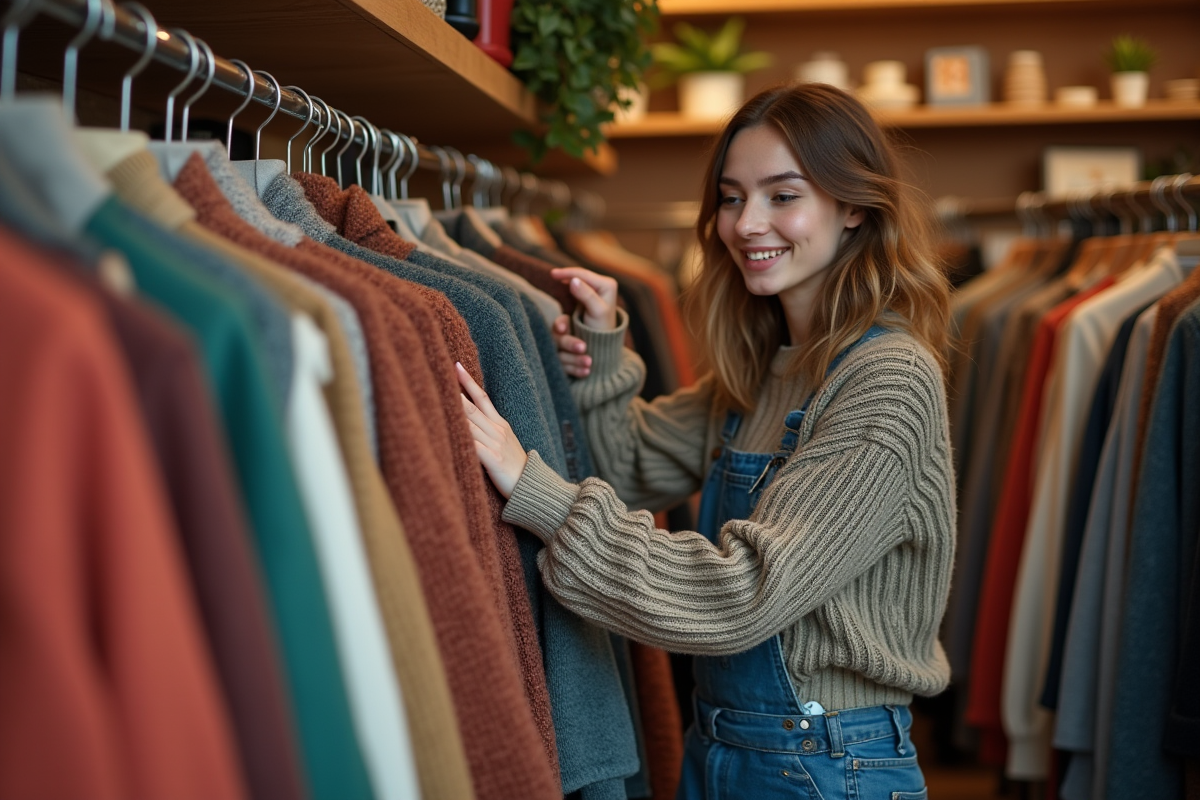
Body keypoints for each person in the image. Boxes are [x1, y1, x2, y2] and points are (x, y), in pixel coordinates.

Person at [457, 82, 955, 800]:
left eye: (783, 196)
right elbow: (626, 467)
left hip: (824, 766)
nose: (748, 223)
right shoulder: (763, 372)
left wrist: (529, 484)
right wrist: (601, 346)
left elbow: (743, 594)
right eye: (731, 197)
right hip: (723, 747)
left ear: (853, 208)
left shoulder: (889, 380)